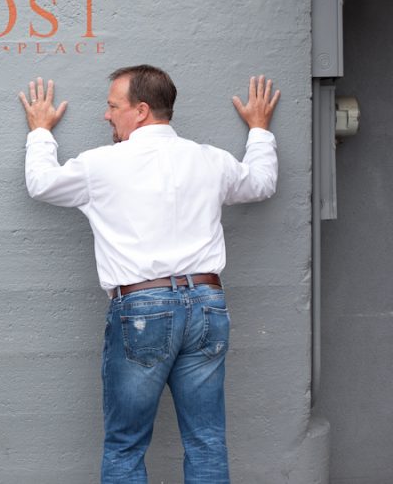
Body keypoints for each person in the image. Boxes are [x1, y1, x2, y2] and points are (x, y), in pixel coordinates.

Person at [18, 66, 280, 483]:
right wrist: (260, 131)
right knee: (207, 440)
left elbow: (41, 184)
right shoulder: (209, 159)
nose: (107, 116)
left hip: (143, 308)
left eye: (112, 106)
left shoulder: (101, 164)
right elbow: (262, 183)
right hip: (208, 306)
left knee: (125, 444)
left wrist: (40, 131)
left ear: (140, 111)